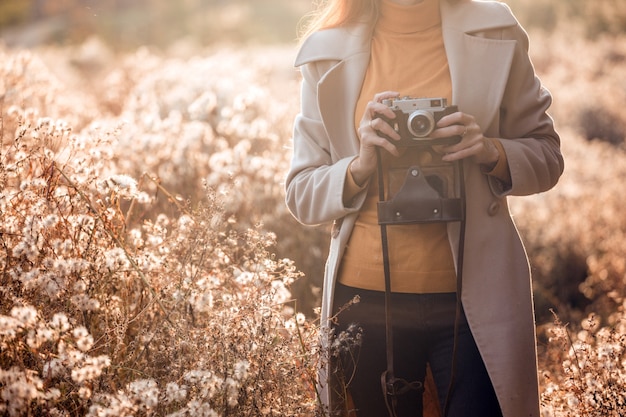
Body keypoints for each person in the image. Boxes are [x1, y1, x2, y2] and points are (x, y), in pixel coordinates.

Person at [285, 0, 564, 416]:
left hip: (472, 299)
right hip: (365, 304)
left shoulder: (495, 31)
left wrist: (490, 150)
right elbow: (300, 192)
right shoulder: (328, 49)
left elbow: (547, 155)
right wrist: (359, 166)